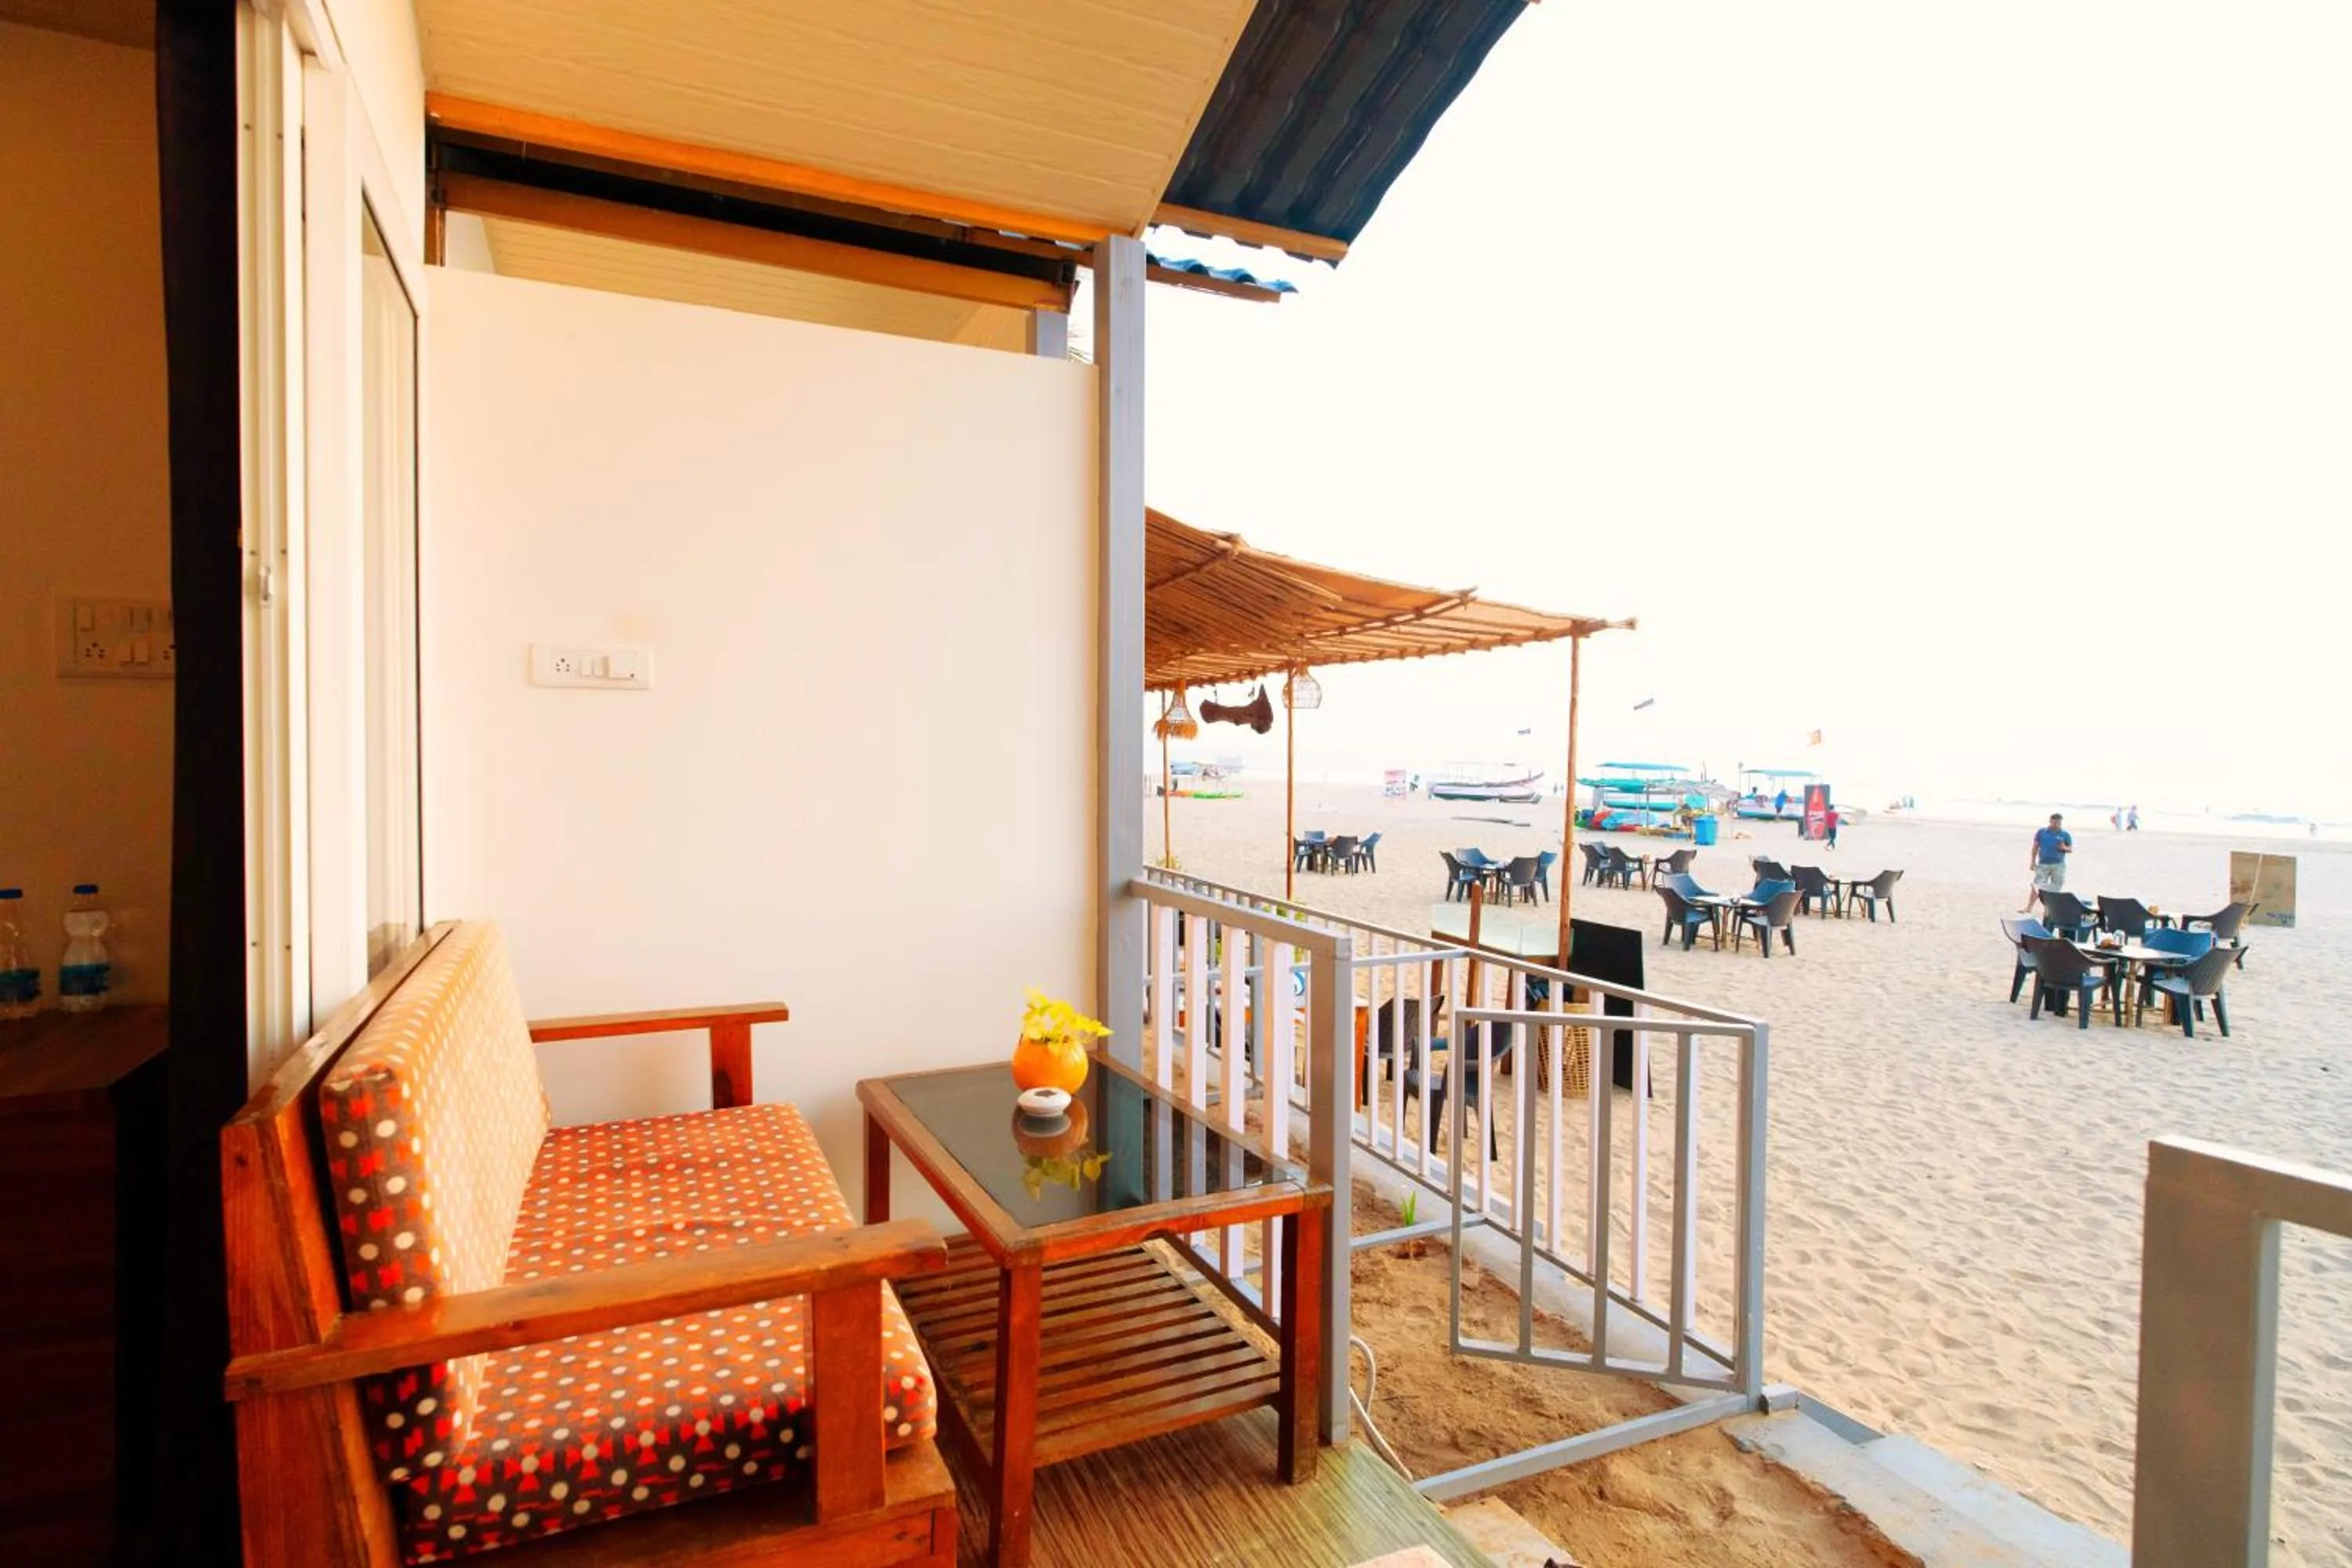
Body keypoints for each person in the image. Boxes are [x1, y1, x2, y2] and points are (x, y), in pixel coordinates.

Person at [2023, 812, 2073, 912]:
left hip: (2058, 865)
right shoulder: (2042, 832)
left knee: (2056, 887)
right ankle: (2029, 907)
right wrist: (2033, 861)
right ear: (2050, 821)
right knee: (2037, 886)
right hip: (2043, 864)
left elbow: (2070, 849)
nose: (2057, 825)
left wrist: (2064, 848)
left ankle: (2051, 910)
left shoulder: (2065, 834)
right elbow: (2035, 847)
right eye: (2055, 823)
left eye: (2059, 823)